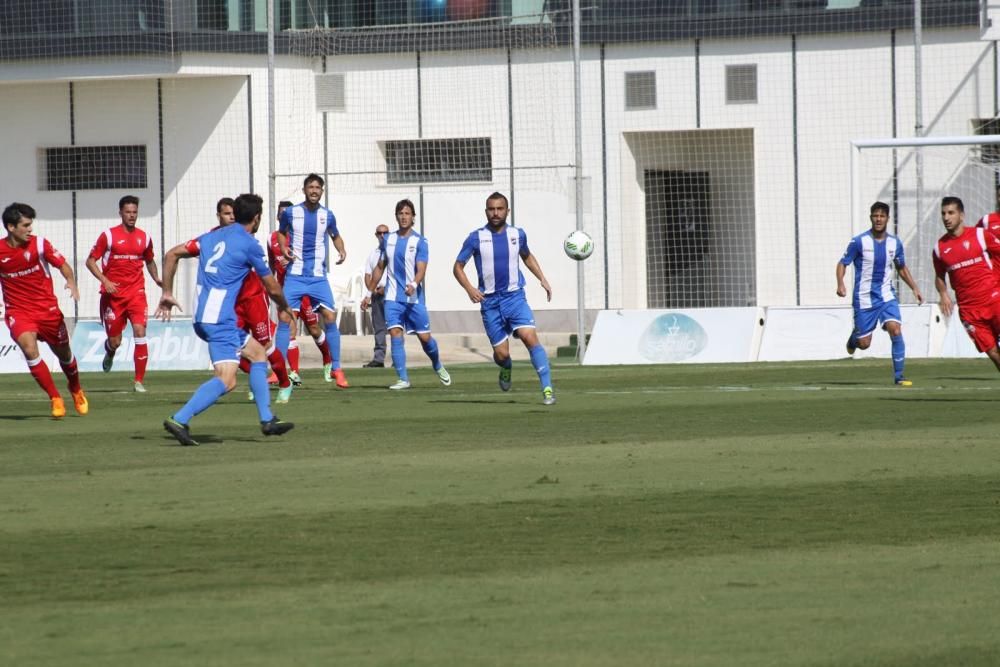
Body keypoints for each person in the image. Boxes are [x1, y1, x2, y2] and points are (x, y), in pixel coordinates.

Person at [156, 193, 295, 446]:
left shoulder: (209, 237)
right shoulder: (249, 243)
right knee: (227, 379)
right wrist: (285, 306)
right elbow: (272, 287)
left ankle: (267, 419)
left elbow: (171, 254)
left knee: (257, 354)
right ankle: (180, 418)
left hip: (204, 316)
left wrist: (166, 292)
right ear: (256, 218)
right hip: (219, 320)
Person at [453, 192, 555, 405]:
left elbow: (527, 256)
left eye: (500, 209)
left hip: (514, 297)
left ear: (507, 211)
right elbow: (458, 267)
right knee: (501, 355)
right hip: (489, 303)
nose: (496, 213)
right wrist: (470, 289)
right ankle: (506, 367)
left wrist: (542, 278)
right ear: (486, 211)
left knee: (530, 338)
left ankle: (547, 388)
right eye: (492, 209)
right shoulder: (476, 237)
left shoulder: (518, 234)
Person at [0, 203, 88, 418]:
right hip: (19, 311)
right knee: (29, 350)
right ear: (11, 227)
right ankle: (55, 398)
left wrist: (71, 282)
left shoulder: (40, 245)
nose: (30, 229)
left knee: (65, 355)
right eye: (26, 225)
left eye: (31, 225)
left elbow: (63, 265)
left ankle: (75, 388)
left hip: (47, 311)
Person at [273, 173, 349, 388]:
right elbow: (281, 234)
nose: (314, 191)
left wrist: (341, 250)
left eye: (318, 187)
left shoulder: (328, 215)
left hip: (317, 277)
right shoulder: (291, 212)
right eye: (311, 187)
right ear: (304, 190)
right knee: (285, 319)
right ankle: (278, 370)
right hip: (295, 275)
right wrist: (284, 247)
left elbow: (335, 235)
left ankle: (337, 368)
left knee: (330, 317)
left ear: (322, 191)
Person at [836, 201, 923, 386]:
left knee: (895, 329)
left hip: (886, 296)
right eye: (875, 215)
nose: (878, 219)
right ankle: (854, 338)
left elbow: (901, 268)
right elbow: (842, 263)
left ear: (887, 219)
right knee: (864, 344)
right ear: (871, 218)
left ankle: (899, 376)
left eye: (882, 216)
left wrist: (914, 288)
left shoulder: (894, 243)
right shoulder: (859, 241)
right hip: (864, 298)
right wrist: (840, 283)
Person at [369, 200, 450, 389]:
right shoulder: (387, 240)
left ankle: (437, 364)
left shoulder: (420, 241)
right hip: (392, 298)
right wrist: (368, 292)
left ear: (413, 217)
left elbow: (421, 269)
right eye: (400, 213)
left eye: (407, 213)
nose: (404, 217)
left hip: (414, 298)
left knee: (425, 338)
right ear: (396, 216)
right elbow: (380, 267)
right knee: (395, 333)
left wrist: (414, 283)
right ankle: (403, 379)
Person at [85, 195, 161, 393]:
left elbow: (150, 261)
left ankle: (138, 381)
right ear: (120, 213)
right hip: (113, 296)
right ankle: (110, 352)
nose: (132, 216)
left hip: (136, 293)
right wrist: (105, 280)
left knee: (140, 332)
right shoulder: (108, 236)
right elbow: (90, 261)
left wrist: (157, 279)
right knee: (115, 341)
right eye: (128, 212)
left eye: (135, 212)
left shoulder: (144, 238)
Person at [267, 199, 334, 385]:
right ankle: (293, 372)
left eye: (286, 212)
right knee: (289, 328)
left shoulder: (301, 235)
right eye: (281, 213)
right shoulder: (272, 238)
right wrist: (271, 285)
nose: (283, 215)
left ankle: (328, 359)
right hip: (287, 291)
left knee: (314, 329)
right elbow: (272, 264)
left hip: (305, 289)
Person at [933, 195, 1000, 372]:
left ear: (961, 215)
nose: (946, 217)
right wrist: (943, 294)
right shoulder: (940, 248)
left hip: (994, 300)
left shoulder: (980, 235)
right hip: (969, 311)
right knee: (993, 352)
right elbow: (939, 276)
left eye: (951, 213)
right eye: (943, 213)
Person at [360, 223, 389, 368]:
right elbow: (368, 275)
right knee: (378, 327)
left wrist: (386, 288)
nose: (382, 235)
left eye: (385, 232)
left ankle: (397, 359)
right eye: (380, 233)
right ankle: (379, 358)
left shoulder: (392, 251)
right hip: (377, 294)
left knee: (396, 327)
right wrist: (370, 292)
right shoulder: (373, 254)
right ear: (376, 235)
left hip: (390, 294)